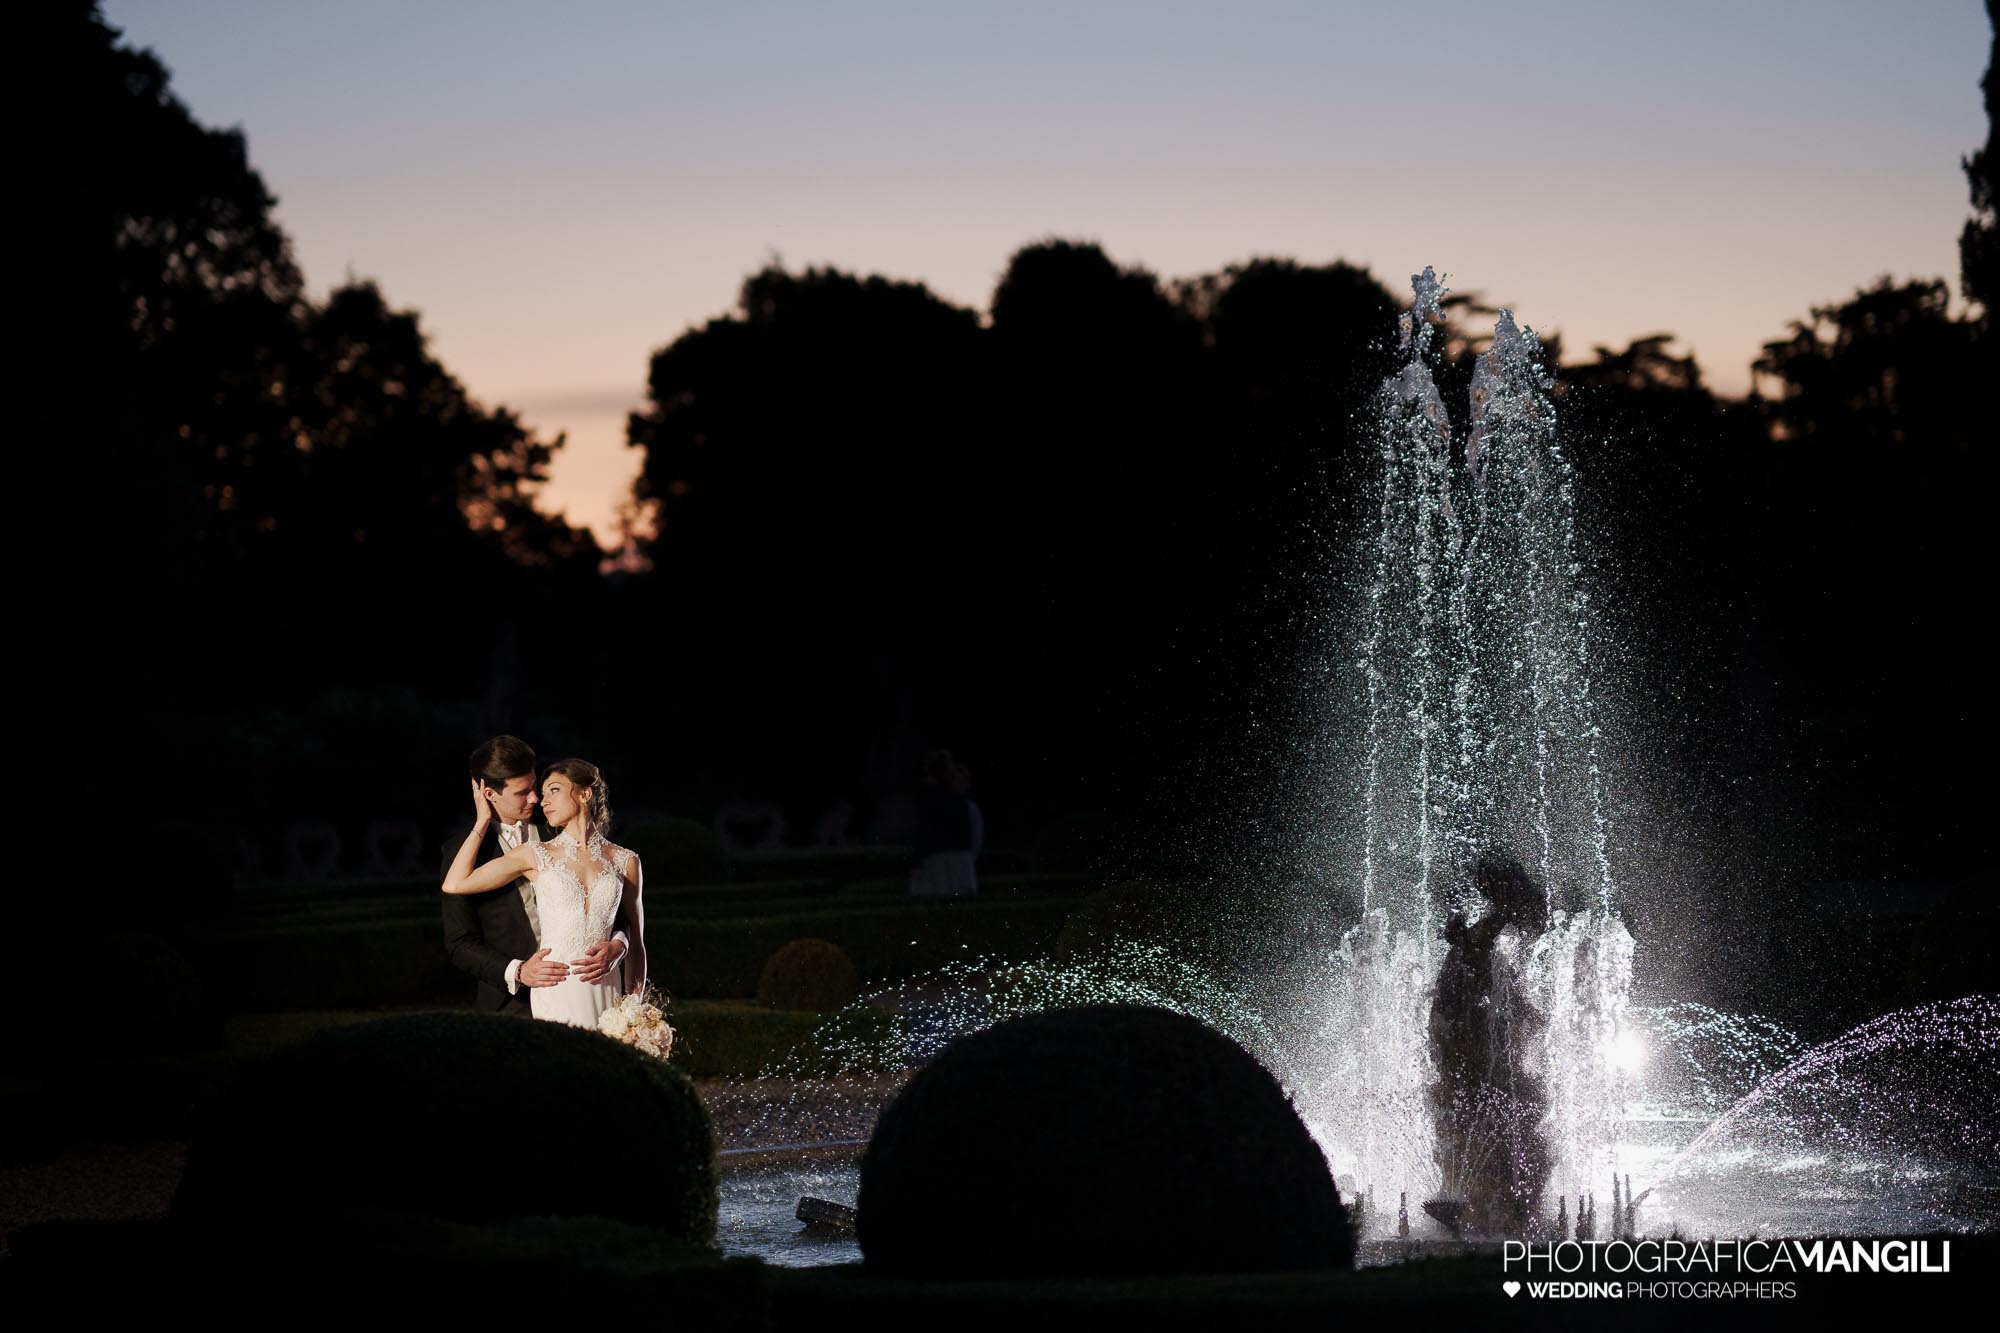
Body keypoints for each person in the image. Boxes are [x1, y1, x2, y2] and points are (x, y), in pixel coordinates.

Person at [441, 744, 643, 1027]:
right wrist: (519, 971)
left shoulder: (558, 823)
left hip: (601, 981)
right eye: (523, 792)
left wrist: (618, 945)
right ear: (490, 795)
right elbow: (459, 942)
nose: (537, 799)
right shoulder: (463, 853)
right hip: (515, 997)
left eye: (540, 788)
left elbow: (617, 914)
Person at [910, 748, 978, 896]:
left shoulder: (929, 800)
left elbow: (924, 834)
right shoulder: (961, 801)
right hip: (961, 861)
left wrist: (916, 862)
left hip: (938, 861)